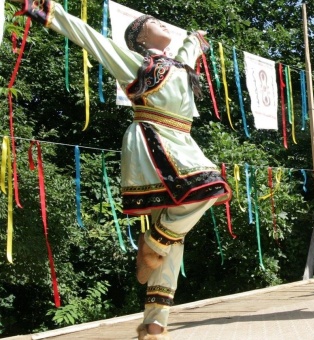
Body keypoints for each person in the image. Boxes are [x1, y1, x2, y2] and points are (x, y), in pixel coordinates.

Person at [13, 1, 232, 339]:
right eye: (152, 21)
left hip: (183, 142)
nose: (162, 23)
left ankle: (155, 321)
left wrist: (197, 40)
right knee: (210, 187)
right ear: (140, 38)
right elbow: (90, 38)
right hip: (154, 139)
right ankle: (154, 244)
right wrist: (43, 9)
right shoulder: (138, 64)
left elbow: (190, 50)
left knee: (176, 233)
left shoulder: (178, 66)